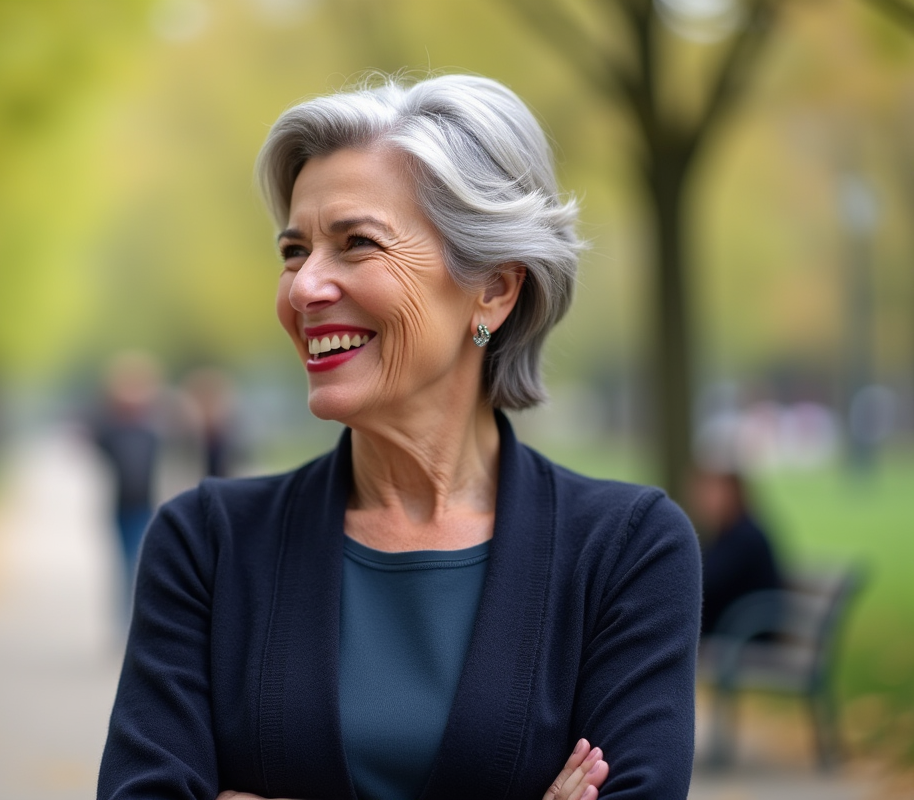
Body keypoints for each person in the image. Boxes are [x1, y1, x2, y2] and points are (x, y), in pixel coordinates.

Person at [97, 73, 701, 800]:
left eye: (356, 243)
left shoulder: (626, 553)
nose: (304, 288)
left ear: (495, 288)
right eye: (294, 252)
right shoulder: (206, 547)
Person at [91, 352, 163, 593]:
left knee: (141, 561)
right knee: (126, 564)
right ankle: (128, 618)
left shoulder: (154, 430)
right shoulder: (111, 430)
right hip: (121, 505)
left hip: (147, 505)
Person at [689, 469, 783, 637]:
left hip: (745, 634)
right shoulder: (727, 534)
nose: (704, 501)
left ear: (733, 494)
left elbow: (706, 584)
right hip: (732, 630)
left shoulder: (744, 538)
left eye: (712, 492)